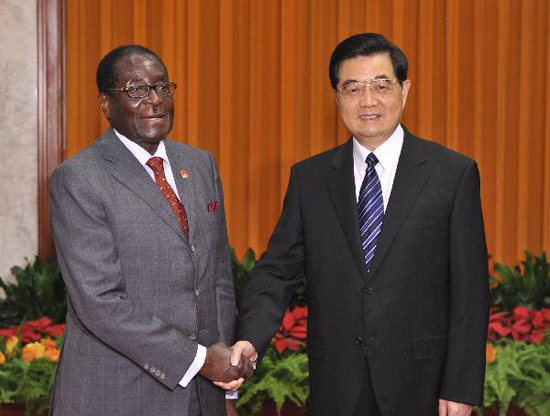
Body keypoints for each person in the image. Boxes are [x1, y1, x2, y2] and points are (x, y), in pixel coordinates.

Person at [228, 33, 489, 415]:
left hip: (423, 386)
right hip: (336, 384)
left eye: (381, 85)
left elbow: (470, 292)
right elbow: (276, 271)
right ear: (337, 97)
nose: (368, 101)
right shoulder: (310, 179)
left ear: (405, 90)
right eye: (352, 88)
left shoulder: (452, 174)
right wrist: (250, 337)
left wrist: (461, 388)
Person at [49, 45, 251, 416]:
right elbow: (99, 303)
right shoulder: (79, 178)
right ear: (105, 104)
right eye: (136, 90)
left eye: (163, 87)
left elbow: (218, 277)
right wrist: (200, 360)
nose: (155, 100)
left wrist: (227, 383)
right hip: (118, 394)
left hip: (201, 396)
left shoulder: (200, 163)